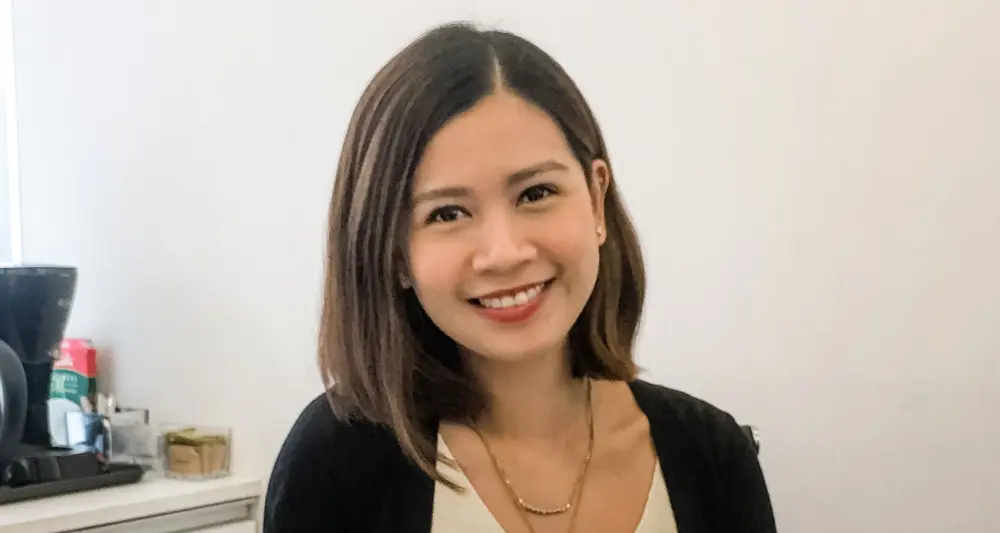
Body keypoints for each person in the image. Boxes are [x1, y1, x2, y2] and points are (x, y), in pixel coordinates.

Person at [263, 21, 776, 533]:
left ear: (596, 199)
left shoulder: (714, 456)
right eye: (446, 214)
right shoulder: (334, 461)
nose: (504, 254)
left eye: (536, 194)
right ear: (394, 253)